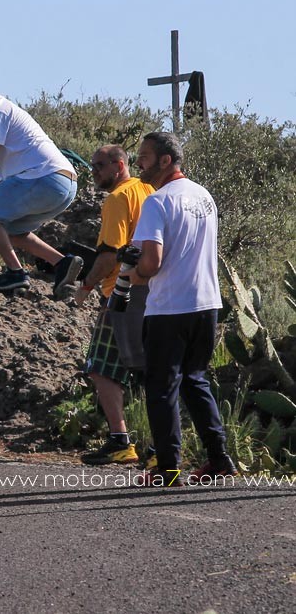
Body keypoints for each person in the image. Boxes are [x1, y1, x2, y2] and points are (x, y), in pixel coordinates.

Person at [130, 131, 235, 485]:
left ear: (164, 160)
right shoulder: (204, 197)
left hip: (169, 308)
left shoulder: (157, 202)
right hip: (207, 304)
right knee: (195, 381)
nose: (138, 163)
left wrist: (136, 273)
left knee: (162, 388)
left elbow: (152, 262)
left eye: (143, 156)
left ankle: (168, 468)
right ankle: (219, 459)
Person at [0, 71, 83, 293]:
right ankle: (62, 263)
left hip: (43, 177)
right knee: (12, 231)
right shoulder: (2, 112)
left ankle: (15, 272)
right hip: (64, 185)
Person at [74, 145, 154, 465]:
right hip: (154, 291)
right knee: (152, 370)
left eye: (99, 166)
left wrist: (86, 287)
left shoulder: (118, 198)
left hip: (121, 292)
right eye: (92, 165)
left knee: (99, 366)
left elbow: (110, 254)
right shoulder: (150, 189)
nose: (93, 171)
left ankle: (121, 441)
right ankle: (159, 446)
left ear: (119, 165)